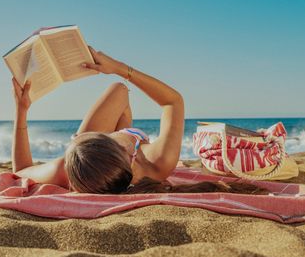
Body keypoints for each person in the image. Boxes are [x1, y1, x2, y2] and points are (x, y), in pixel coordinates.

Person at [11, 47, 185, 193]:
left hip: (92, 162)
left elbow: (20, 171)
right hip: (113, 159)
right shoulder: (158, 162)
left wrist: (21, 110)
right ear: (123, 148)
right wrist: (118, 68)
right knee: (119, 88)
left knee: (118, 90)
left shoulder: (71, 168)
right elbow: (173, 101)